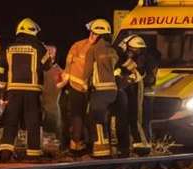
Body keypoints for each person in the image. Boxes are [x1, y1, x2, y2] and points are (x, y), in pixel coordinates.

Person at [0, 19, 52, 159]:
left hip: (13, 91)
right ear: (33, 31)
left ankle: (5, 153)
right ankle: (33, 154)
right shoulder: (39, 48)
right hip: (32, 92)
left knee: (10, 121)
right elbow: (48, 66)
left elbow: (2, 72)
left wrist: (2, 94)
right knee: (32, 122)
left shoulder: (8, 48)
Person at [82, 19, 119, 157]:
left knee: (96, 118)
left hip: (100, 90)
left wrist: (85, 85)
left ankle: (101, 150)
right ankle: (113, 147)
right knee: (110, 119)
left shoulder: (93, 50)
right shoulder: (113, 50)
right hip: (113, 90)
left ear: (96, 33)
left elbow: (87, 71)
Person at [114, 34, 155, 157]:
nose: (135, 52)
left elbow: (143, 75)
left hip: (135, 91)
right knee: (124, 119)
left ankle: (141, 145)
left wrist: (129, 76)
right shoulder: (121, 57)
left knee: (136, 117)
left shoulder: (144, 59)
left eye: (137, 50)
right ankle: (127, 146)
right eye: (132, 49)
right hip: (124, 91)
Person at [60, 25, 96, 156]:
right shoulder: (82, 46)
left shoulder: (78, 45)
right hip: (82, 86)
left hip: (80, 86)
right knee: (79, 116)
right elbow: (70, 63)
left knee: (79, 116)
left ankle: (78, 144)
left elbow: (69, 63)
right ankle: (78, 144)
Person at [40, 44, 63, 144]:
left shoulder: (59, 71)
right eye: (47, 51)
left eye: (51, 52)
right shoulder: (39, 69)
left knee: (55, 125)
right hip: (40, 104)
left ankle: (57, 141)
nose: (49, 54)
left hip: (53, 106)